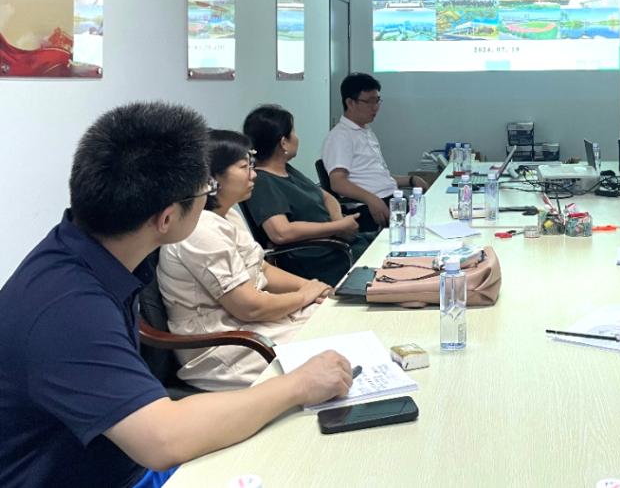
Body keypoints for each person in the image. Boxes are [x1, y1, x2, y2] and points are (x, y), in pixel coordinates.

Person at [0, 102, 353, 488]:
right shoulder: (67, 307)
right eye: (206, 189)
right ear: (167, 218)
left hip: (119, 457)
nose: (210, 197)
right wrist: (300, 384)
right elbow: (162, 439)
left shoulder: (87, 250)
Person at [158, 130, 333, 391]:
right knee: (333, 349)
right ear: (212, 178)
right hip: (224, 348)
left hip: (250, 327)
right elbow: (249, 308)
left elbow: (261, 269)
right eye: (244, 167)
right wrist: (303, 296)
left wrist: (313, 287)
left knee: (335, 316)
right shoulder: (199, 229)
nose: (253, 175)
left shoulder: (227, 215)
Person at [243, 104, 368, 286]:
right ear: (283, 143)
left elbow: (327, 197)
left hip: (339, 245)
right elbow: (281, 232)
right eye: (294, 132)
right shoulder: (262, 182)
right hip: (319, 260)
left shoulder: (286, 170)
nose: (297, 138)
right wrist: (337, 227)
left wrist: (337, 221)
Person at [322, 72, 428, 232]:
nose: (375, 107)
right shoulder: (340, 136)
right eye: (369, 102)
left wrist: (411, 180)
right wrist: (371, 199)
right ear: (350, 103)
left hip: (391, 200)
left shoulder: (365, 131)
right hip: (370, 209)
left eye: (377, 100)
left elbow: (375, 176)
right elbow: (338, 183)